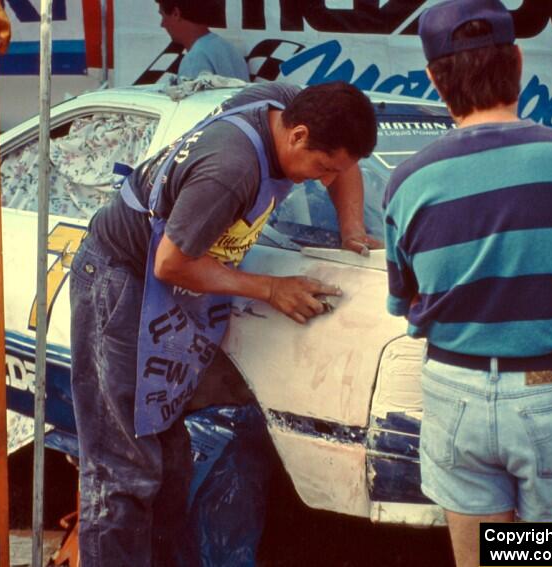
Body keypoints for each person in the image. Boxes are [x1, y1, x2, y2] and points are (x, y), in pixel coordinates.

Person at [70, 80, 377, 566]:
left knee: (169, 454)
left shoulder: (286, 100)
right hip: (121, 279)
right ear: (297, 135)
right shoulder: (231, 169)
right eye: (322, 167)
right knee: (123, 466)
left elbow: (346, 163)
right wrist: (272, 288)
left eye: (334, 170)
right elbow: (170, 264)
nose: (326, 180)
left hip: (170, 278)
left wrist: (353, 230)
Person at [382, 1, 552, 565]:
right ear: (517, 60)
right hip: (550, 389)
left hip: (452, 392)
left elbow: (405, 298)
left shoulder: (407, 181)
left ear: (435, 80)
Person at [156, 0, 250, 81]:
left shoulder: (194, 59)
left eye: (163, 15)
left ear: (176, 14)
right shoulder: (229, 48)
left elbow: (192, 102)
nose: (162, 24)